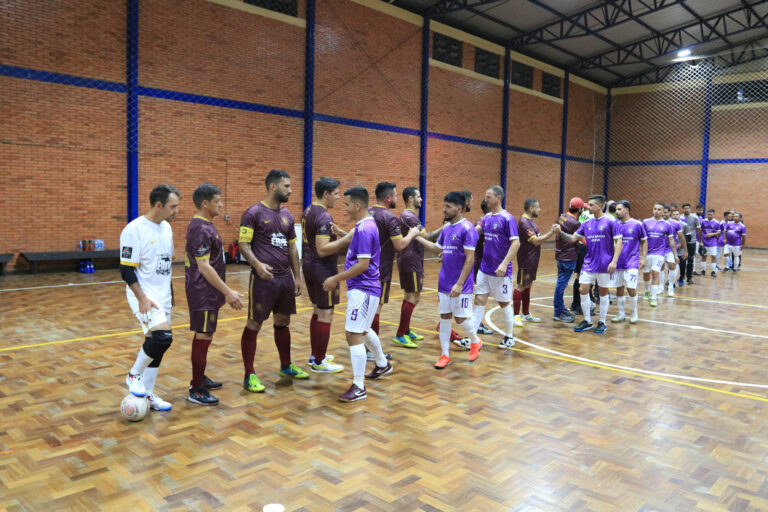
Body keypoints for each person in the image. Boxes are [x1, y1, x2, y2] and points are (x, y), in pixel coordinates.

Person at [238, 170, 305, 394]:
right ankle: (250, 375)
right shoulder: (253, 213)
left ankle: (286, 366)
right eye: (286, 186)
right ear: (273, 187)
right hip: (263, 280)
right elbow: (244, 245)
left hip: (285, 279)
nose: (290, 190)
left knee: (283, 321)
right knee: (254, 323)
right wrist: (257, 265)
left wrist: (298, 276)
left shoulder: (288, 215)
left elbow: (293, 247)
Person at [323, 186, 391, 402]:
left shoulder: (364, 229)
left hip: (363, 288)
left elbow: (362, 265)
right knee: (362, 329)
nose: (345, 208)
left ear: (357, 205)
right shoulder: (366, 225)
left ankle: (359, 386)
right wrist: (343, 234)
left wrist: (335, 278)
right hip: (366, 288)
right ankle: (382, 364)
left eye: (347, 204)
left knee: (353, 334)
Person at [120, 184, 180, 412]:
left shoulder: (166, 228)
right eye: (173, 207)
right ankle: (133, 375)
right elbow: (125, 270)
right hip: (144, 295)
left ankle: (148, 393)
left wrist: (171, 294)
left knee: (156, 346)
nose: (176, 211)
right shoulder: (134, 229)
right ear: (159, 205)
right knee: (163, 337)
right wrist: (142, 298)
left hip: (162, 296)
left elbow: (166, 263)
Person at [185, 184, 244, 406]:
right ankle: (196, 389)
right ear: (205, 203)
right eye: (218, 201)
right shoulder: (200, 228)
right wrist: (227, 292)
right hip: (202, 291)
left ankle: (199, 378)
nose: (221, 204)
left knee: (205, 334)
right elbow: (204, 266)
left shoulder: (206, 225)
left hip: (208, 291)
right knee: (204, 335)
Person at [417, 192, 481, 369]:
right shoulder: (446, 228)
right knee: (444, 318)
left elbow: (470, 258)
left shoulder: (468, 229)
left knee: (461, 319)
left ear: (459, 209)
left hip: (461, 284)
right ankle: (445, 355)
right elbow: (436, 249)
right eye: (444, 206)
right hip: (444, 282)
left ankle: (475, 341)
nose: (444, 210)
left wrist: (460, 283)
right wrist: (416, 237)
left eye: (448, 207)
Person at [302, 177, 349, 374]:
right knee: (325, 314)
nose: (338, 197)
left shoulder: (309, 209)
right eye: (336, 193)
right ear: (326, 194)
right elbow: (322, 249)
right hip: (322, 268)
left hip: (310, 265)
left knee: (317, 311)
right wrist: (347, 238)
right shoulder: (323, 216)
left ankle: (316, 354)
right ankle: (319, 362)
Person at [557, 194, 622, 334]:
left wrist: (614, 261)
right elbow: (573, 238)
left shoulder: (611, 222)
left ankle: (602, 322)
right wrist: (560, 232)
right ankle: (587, 320)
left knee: (603, 293)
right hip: (588, 263)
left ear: (600, 206)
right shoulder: (586, 223)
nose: (588, 207)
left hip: (604, 264)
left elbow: (619, 242)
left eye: (591, 205)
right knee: (582, 289)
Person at [369, 182, 420, 350]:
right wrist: (412, 232)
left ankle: (368, 347)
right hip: (381, 269)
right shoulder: (389, 217)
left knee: (369, 308)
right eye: (396, 196)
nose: (398, 199)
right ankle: (373, 350)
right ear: (388, 198)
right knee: (376, 309)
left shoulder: (368, 213)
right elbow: (399, 245)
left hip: (364, 267)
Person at [472, 186, 520, 349]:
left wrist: (504, 263)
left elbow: (516, 243)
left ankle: (509, 337)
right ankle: (473, 338)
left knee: (504, 303)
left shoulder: (507, 218)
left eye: (489, 196)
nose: (485, 199)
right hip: (484, 269)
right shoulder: (486, 218)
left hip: (501, 272)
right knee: (479, 300)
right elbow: (474, 233)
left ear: (498, 198)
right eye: (486, 196)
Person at [392, 186, 429, 348]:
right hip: (410, 260)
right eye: (419, 196)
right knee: (414, 297)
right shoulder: (409, 217)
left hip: (412, 260)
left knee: (409, 296)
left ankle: (405, 330)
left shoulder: (410, 216)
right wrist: (447, 227)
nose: (421, 199)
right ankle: (400, 334)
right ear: (411, 199)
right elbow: (427, 236)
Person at [514, 198, 558, 326]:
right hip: (526, 260)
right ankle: (515, 316)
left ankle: (526, 314)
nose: (540, 210)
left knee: (527, 285)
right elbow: (536, 241)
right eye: (538, 207)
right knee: (521, 285)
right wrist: (551, 232)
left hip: (532, 260)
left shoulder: (531, 222)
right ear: (531, 209)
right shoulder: (524, 222)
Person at [611, 200, 647, 324]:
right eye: (616, 209)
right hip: (618, 261)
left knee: (631, 288)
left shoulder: (637, 224)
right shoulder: (615, 225)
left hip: (632, 260)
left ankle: (633, 312)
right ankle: (621, 314)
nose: (617, 212)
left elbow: (644, 241)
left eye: (619, 209)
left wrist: (643, 258)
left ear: (627, 210)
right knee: (619, 288)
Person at [641, 202, 677, 306]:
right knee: (646, 274)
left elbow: (671, 240)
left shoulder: (667, 225)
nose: (656, 211)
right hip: (647, 253)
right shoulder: (646, 222)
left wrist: (675, 254)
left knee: (655, 273)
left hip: (659, 253)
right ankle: (647, 290)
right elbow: (642, 240)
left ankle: (654, 297)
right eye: (655, 209)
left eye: (659, 209)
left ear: (663, 212)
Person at [553, 198, 583, 322]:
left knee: (561, 284)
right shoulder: (576, 223)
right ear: (580, 209)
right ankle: (558, 312)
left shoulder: (562, 217)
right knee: (561, 285)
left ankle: (560, 307)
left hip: (560, 254)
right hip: (569, 257)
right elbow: (577, 239)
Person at [664, 206, 687, 297]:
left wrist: (685, 250)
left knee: (672, 265)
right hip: (659, 250)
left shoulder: (676, 224)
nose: (664, 213)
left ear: (669, 212)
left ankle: (671, 286)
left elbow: (681, 237)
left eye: (666, 212)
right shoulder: (657, 222)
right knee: (659, 269)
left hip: (671, 249)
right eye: (663, 212)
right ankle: (660, 287)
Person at [679, 203, 701, 285]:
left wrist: (701, 241)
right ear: (682, 209)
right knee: (682, 260)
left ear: (690, 209)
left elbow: (699, 230)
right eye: (684, 208)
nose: (686, 209)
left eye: (688, 208)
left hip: (692, 241)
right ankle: (681, 277)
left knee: (690, 259)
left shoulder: (695, 217)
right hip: (682, 241)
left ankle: (689, 277)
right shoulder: (680, 218)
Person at [700, 208, 721, 278]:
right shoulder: (703, 221)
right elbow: (700, 230)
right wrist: (701, 241)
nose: (709, 215)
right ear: (707, 214)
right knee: (704, 256)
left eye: (711, 214)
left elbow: (718, 232)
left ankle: (713, 271)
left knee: (713, 256)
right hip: (704, 242)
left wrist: (711, 234)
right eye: (708, 214)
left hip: (713, 242)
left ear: (713, 214)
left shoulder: (717, 222)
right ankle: (703, 270)